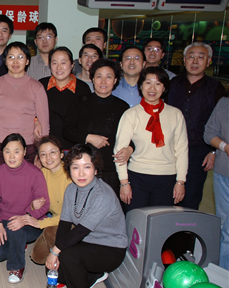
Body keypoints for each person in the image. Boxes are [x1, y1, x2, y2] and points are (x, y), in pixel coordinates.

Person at [45, 144, 127, 288]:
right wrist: (56, 254)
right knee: (55, 270)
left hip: (111, 248)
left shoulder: (103, 194)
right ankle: (94, 274)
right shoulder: (71, 189)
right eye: (75, 167)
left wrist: (55, 252)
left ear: (96, 170)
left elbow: (80, 231)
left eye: (87, 167)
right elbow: (64, 224)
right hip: (88, 242)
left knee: (68, 256)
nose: (81, 173)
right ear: (69, 170)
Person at [114, 67, 188, 212]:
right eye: (148, 83)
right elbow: (119, 151)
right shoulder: (131, 114)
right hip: (137, 177)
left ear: (164, 88)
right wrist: (124, 183)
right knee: (135, 221)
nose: (152, 88)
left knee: (161, 221)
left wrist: (180, 181)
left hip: (167, 178)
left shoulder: (176, 114)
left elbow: (182, 150)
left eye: (158, 83)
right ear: (141, 86)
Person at [167, 42, 226, 210]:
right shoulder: (172, 83)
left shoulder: (216, 88)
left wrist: (213, 152)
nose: (195, 61)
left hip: (199, 152)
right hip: (170, 149)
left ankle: (187, 227)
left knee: (191, 198)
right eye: (191, 56)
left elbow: (221, 124)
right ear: (184, 60)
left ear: (209, 61)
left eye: (201, 57)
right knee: (167, 195)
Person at [0, 134, 50, 284]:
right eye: (7, 151)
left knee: (17, 229)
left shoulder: (35, 174)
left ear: (25, 151)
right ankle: (18, 244)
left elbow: (45, 204)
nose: (11, 156)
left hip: (31, 222)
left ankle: (17, 267)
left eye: (17, 151)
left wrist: (26, 216)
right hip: (5, 221)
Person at [63, 58, 130, 196]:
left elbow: (132, 136)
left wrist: (130, 149)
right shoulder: (80, 103)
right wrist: (88, 138)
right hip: (84, 169)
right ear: (92, 79)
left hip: (111, 169)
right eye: (99, 76)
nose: (103, 81)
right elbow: (66, 130)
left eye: (108, 77)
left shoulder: (122, 107)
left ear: (115, 80)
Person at [0, 41, 49, 168]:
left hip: (27, 147)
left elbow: (44, 122)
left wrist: (43, 152)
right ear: (5, 61)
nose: (15, 61)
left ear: (27, 61)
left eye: (20, 57)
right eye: (11, 57)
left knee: (25, 180)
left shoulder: (37, 87)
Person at [29, 136, 73, 265]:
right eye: (43, 154)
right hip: (56, 219)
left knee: (50, 231)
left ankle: (65, 265)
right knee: (37, 256)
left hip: (74, 222)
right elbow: (32, 200)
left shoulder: (71, 175)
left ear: (61, 154)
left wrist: (41, 223)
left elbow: (70, 216)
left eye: (52, 152)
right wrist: (33, 205)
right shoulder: (41, 174)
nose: (48, 158)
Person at [38, 46, 91, 151]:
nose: (59, 68)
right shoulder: (41, 85)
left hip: (73, 148)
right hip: (47, 148)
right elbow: (32, 110)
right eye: (54, 63)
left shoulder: (82, 89)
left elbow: (86, 121)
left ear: (72, 64)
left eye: (63, 63)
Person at [204, 96, 229, 270]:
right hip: (224, 174)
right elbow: (209, 132)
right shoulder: (224, 104)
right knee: (224, 226)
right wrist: (224, 147)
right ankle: (223, 271)